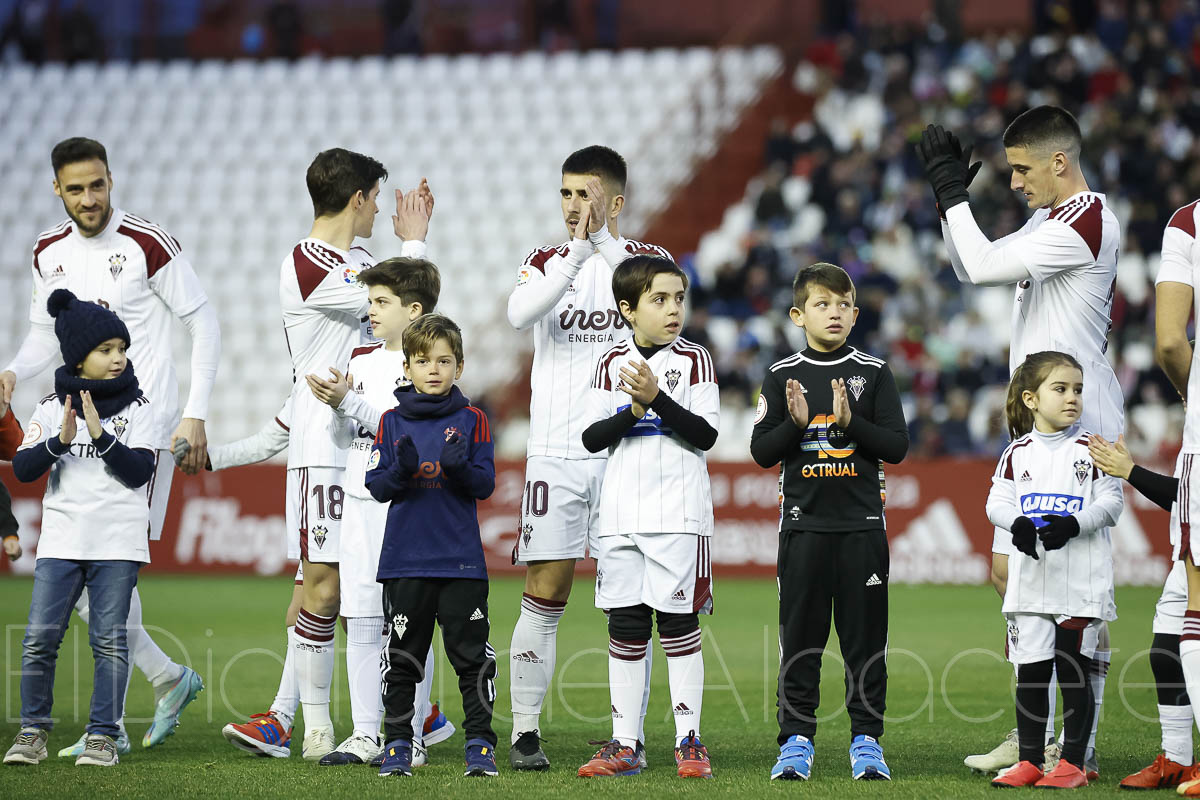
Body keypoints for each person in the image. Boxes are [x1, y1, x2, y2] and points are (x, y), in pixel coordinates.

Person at [918, 107, 1123, 777]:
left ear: (1059, 162)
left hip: (1078, 420)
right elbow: (967, 266)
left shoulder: (1086, 219)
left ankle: (1076, 746)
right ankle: (1033, 735)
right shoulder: (1049, 221)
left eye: (1022, 169)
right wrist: (949, 203)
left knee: (1076, 595)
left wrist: (953, 196)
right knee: (1018, 579)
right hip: (1038, 419)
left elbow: (976, 266)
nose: (1013, 183)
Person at [0, 137, 214, 755]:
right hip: (83, 423)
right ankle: (158, 688)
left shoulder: (146, 242)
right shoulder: (47, 252)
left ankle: (114, 723)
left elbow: (204, 319)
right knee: (101, 594)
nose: (89, 199)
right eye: (76, 189)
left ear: (111, 180)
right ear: (57, 190)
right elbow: (45, 336)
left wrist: (195, 412)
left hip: (141, 426)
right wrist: (15, 369)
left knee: (110, 574)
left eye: (98, 185)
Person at [506, 144, 668, 770]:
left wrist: (600, 245)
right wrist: (577, 251)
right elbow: (520, 314)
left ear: (616, 202)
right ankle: (524, 730)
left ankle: (627, 734)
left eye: (587, 194)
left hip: (627, 451)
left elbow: (667, 323)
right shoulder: (545, 261)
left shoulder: (648, 264)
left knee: (631, 596)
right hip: (556, 452)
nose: (574, 205)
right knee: (545, 587)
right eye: (567, 193)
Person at [278, 146, 431, 760]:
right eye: (375, 198)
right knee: (324, 587)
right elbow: (404, 290)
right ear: (360, 198)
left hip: (369, 449)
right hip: (321, 443)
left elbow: (413, 312)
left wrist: (407, 255)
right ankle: (314, 728)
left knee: (372, 589)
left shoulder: (368, 262)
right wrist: (414, 245)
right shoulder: (307, 261)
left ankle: (396, 714)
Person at [750, 262, 908, 782]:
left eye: (844, 305)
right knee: (801, 641)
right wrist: (796, 426)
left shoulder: (875, 372)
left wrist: (849, 423)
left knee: (866, 642)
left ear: (856, 313)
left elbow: (897, 447)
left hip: (862, 528)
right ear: (798, 314)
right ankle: (796, 741)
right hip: (803, 528)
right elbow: (760, 451)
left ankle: (867, 742)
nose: (834, 313)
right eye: (822, 304)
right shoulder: (780, 377)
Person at [575, 254, 719, 780]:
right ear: (627, 309)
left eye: (678, 298)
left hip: (678, 514)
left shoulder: (696, 360)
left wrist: (656, 398)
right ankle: (626, 743)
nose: (673, 308)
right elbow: (591, 438)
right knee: (627, 625)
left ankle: (688, 740)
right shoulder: (608, 363)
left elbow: (705, 434)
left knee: (678, 624)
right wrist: (633, 410)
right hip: (619, 515)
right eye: (659, 299)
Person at [305, 256, 451, 766]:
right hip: (360, 496)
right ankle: (367, 732)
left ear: (414, 311)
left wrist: (350, 403)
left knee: (407, 623)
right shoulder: (362, 359)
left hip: (407, 504)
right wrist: (336, 408)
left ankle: (407, 733)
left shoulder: (424, 363)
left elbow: (404, 429)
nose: (371, 311)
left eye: (381, 302)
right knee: (362, 616)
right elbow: (347, 436)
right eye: (370, 302)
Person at [3, 290, 158, 767]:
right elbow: (25, 468)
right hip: (61, 542)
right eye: (106, 350)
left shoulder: (140, 406)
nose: (118, 359)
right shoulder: (51, 407)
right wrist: (59, 441)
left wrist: (101, 438)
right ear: (79, 357)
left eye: (122, 349)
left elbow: (139, 471)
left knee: (109, 643)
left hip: (117, 543)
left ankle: (102, 736)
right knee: (38, 639)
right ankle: (32, 733)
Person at [365, 314, 499, 779]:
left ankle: (480, 744)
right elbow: (378, 486)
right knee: (403, 660)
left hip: (461, 562)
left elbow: (484, 485)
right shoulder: (390, 421)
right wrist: (400, 470)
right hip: (405, 562)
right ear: (407, 367)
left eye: (444, 360)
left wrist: (459, 468)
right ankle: (398, 743)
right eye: (424, 361)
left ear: (459, 367)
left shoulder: (473, 420)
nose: (434, 369)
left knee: (472, 660)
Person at [986, 352, 1123, 789]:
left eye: (1078, 390)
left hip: (1079, 583)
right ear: (1031, 399)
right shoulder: (1015, 453)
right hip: (1032, 582)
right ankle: (1030, 760)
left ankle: (1074, 763)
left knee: (1073, 668)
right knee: (1031, 671)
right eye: (1061, 389)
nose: (1072, 398)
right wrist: (1018, 524)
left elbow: (1112, 503)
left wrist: (1074, 523)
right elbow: (997, 502)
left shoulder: (1092, 448)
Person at [1086, 434, 1198, 790]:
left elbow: (1193, 496)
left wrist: (1130, 471)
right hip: (1187, 554)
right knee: (1166, 654)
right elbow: (1187, 502)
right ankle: (1177, 759)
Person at [1154, 197, 1200, 799]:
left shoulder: (1190, 222)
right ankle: (1176, 756)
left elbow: (1169, 342)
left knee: (1194, 612)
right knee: (1170, 617)